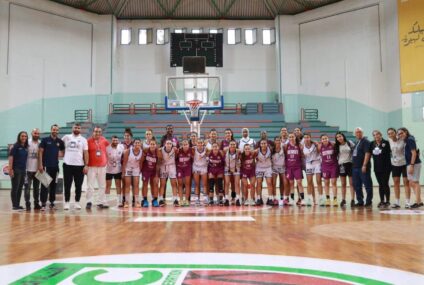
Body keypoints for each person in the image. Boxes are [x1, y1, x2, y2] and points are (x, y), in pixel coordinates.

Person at [62, 123, 89, 210]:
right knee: (67, 185)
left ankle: (77, 202)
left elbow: (85, 153)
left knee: (78, 185)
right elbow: (59, 147)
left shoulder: (83, 140)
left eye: (78, 128)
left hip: (79, 166)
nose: (77, 129)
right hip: (67, 165)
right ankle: (66, 202)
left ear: (80, 129)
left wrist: (86, 165)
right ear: (72, 128)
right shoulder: (66, 137)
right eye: (75, 127)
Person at [38, 124, 65, 211]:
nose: (55, 131)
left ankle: (52, 203)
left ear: (58, 131)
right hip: (46, 167)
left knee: (54, 186)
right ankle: (43, 204)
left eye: (56, 130)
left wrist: (57, 155)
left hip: (55, 167)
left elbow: (63, 152)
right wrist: (40, 165)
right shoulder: (45, 140)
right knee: (44, 185)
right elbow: (40, 152)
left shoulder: (60, 141)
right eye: (53, 129)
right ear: (51, 130)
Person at [398, 128, 422, 208]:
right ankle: (419, 200)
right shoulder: (406, 140)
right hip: (410, 164)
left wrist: (412, 165)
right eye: (399, 134)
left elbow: (414, 153)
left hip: (413, 164)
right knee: (412, 182)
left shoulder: (410, 139)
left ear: (406, 132)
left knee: (414, 182)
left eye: (401, 133)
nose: (400, 135)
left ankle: (418, 202)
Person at [86, 127, 110, 209]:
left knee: (102, 185)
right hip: (91, 166)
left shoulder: (104, 140)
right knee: (90, 185)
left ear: (101, 132)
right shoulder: (88, 141)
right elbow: (85, 153)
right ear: (93, 132)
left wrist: (106, 160)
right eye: (96, 131)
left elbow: (109, 148)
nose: (97, 133)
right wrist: (85, 165)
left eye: (99, 132)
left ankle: (100, 202)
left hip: (102, 167)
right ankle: (89, 201)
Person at [387, 128, 410, 209]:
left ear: (395, 133)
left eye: (392, 133)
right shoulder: (389, 140)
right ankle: (397, 202)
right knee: (396, 182)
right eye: (389, 133)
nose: (391, 134)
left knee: (406, 182)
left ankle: (407, 202)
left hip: (404, 163)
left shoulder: (402, 139)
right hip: (394, 164)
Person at [370, 130, 392, 208]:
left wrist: (380, 150)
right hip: (377, 167)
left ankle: (388, 201)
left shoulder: (386, 143)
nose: (376, 136)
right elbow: (370, 153)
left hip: (386, 167)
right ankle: (382, 200)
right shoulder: (372, 144)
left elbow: (389, 152)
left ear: (381, 135)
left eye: (378, 134)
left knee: (385, 183)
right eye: (374, 135)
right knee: (380, 184)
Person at [351, 127, 373, 207]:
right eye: (356, 132)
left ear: (362, 133)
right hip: (355, 167)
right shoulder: (357, 142)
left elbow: (367, 154)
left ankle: (369, 201)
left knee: (367, 184)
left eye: (359, 132)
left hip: (362, 167)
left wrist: (364, 165)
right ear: (355, 134)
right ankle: (360, 201)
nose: (358, 134)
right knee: (357, 185)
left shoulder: (366, 141)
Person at [9, 131, 29, 211]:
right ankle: (14, 205)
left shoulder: (25, 147)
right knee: (15, 187)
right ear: (19, 137)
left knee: (20, 187)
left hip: (23, 170)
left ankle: (17, 204)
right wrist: (10, 169)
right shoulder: (15, 146)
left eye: (25, 136)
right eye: (22, 136)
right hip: (16, 169)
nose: (24, 137)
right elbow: (11, 157)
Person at [334, 132, 355, 207]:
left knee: (352, 183)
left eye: (340, 136)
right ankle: (343, 200)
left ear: (343, 136)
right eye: (337, 137)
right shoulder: (336, 145)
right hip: (341, 165)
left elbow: (355, 150)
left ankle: (353, 200)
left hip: (350, 164)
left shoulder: (349, 143)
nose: (339, 138)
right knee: (343, 184)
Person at [318, 134, 339, 207]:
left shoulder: (333, 144)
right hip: (325, 166)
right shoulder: (320, 146)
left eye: (326, 138)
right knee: (326, 183)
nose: (324, 140)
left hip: (333, 166)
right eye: (323, 139)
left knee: (333, 182)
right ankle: (327, 199)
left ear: (328, 138)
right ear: (321, 140)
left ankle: (335, 199)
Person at [285, 133, 305, 206]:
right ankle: (292, 200)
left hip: (297, 167)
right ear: (288, 138)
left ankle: (302, 199)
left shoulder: (299, 145)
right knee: (291, 184)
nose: (291, 138)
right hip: (289, 167)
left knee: (299, 183)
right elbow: (285, 156)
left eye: (292, 136)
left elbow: (302, 155)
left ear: (295, 137)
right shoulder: (286, 146)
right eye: (290, 137)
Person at [121, 138, 142, 208]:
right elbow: (124, 163)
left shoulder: (142, 152)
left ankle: (136, 201)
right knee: (127, 184)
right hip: (128, 168)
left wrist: (140, 170)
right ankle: (126, 201)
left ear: (140, 144)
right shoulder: (128, 151)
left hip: (136, 168)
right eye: (136, 143)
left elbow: (141, 162)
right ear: (133, 144)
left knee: (136, 184)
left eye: (138, 143)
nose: (137, 144)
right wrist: (123, 172)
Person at [140, 138, 161, 207]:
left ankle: (154, 199)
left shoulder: (158, 152)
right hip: (145, 170)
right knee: (145, 184)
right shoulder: (145, 150)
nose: (152, 145)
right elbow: (141, 161)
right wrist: (139, 171)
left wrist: (157, 175)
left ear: (156, 145)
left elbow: (158, 164)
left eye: (154, 144)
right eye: (151, 144)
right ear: (149, 144)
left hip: (154, 171)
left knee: (155, 184)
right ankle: (145, 199)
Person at [24, 129, 41, 211]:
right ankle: (27, 203)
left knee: (37, 189)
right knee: (27, 188)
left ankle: (36, 203)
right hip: (28, 170)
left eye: (38, 133)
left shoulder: (40, 143)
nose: (36, 134)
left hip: (37, 170)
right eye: (35, 133)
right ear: (31, 133)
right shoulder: (27, 142)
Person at [302, 133, 321, 206]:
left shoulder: (315, 144)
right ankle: (311, 199)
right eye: (305, 137)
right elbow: (302, 155)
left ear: (310, 138)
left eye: (307, 137)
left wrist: (317, 144)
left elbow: (320, 151)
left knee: (318, 181)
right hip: (308, 164)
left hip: (317, 162)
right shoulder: (302, 146)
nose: (306, 139)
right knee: (309, 182)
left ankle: (321, 198)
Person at [105, 136, 124, 207]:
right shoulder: (107, 148)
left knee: (118, 185)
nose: (115, 142)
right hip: (108, 169)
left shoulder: (121, 147)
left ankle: (119, 201)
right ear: (111, 141)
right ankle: (106, 201)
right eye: (114, 140)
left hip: (118, 169)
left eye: (116, 141)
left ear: (118, 141)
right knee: (108, 185)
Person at [159, 140, 178, 206]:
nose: (169, 144)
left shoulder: (174, 150)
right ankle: (161, 199)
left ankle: (175, 199)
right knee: (162, 184)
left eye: (170, 143)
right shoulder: (160, 150)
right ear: (165, 144)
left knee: (174, 184)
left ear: (172, 145)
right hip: (163, 167)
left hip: (172, 166)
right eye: (167, 143)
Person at [255, 139, 274, 206]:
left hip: (268, 167)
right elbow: (251, 157)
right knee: (259, 183)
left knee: (269, 183)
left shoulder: (270, 149)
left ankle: (270, 198)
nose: (263, 144)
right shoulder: (257, 151)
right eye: (262, 143)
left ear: (267, 144)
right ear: (260, 144)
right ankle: (258, 198)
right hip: (259, 168)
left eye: (264, 143)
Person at [192, 138, 209, 206]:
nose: (199, 144)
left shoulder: (206, 149)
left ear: (203, 143)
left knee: (204, 184)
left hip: (204, 167)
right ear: (196, 143)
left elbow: (210, 152)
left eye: (201, 143)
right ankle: (197, 199)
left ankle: (205, 198)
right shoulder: (194, 149)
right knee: (197, 184)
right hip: (196, 167)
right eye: (198, 143)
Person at [224, 140, 241, 206]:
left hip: (236, 168)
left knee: (237, 183)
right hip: (227, 168)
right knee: (227, 183)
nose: (232, 146)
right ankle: (226, 199)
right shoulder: (226, 151)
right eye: (231, 144)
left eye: (234, 144)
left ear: (236, 145)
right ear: (229, 145)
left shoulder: (239, 152)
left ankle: (237, 199)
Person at [176, 140, 193, 206]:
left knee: (187, 184)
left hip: (187, 168)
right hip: (180, 168)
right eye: (184, 144)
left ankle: (186, 200)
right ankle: (181, 200)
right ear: (182, 145)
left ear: (188, 145)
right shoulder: (178, 150)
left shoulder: (192, 150)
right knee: (180, 184)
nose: (185, 146)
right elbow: (174, 158)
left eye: (186, 144)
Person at [272, 136, 287, 206]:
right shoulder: (272, 149)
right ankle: (274, 198)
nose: (277, 141)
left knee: (284, 182)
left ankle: (283, 197)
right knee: (273, 183)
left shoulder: (283, 147)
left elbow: (287, 156)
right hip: (274, 167)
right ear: (274, 141)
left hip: (282, 167)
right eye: (276, 140)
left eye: (279, 140)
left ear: (280, 141)